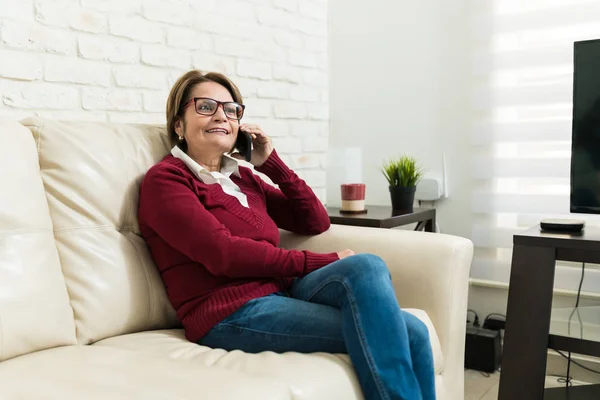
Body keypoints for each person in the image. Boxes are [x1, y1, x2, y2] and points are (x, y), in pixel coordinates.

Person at [138, 69, 435, 400]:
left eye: (231, 109)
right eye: (206, 106)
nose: (221, 115)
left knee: (385, 290)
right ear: (178, 124)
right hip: (228, 313)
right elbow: (222, 253)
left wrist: (270, 163)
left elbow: (315, 220)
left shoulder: (243, 179)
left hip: (280, 294)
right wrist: (322, 260)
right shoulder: (166, 181)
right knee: (405, 331)